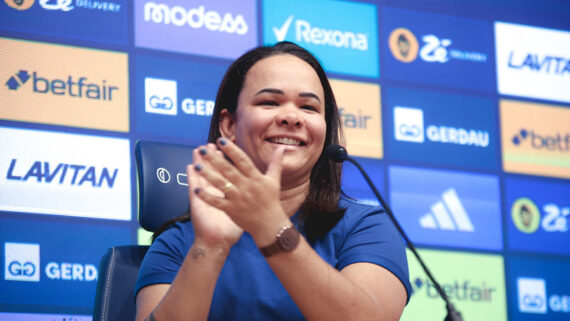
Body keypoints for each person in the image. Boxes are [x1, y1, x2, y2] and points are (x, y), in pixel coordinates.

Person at [134, 41, 412, 321]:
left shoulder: (364, 228)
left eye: (309, 107)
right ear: (230, 125)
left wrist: (270, 225)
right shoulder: (180, 241)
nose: (291, 117)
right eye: (269, 102)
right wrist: (210, 247)